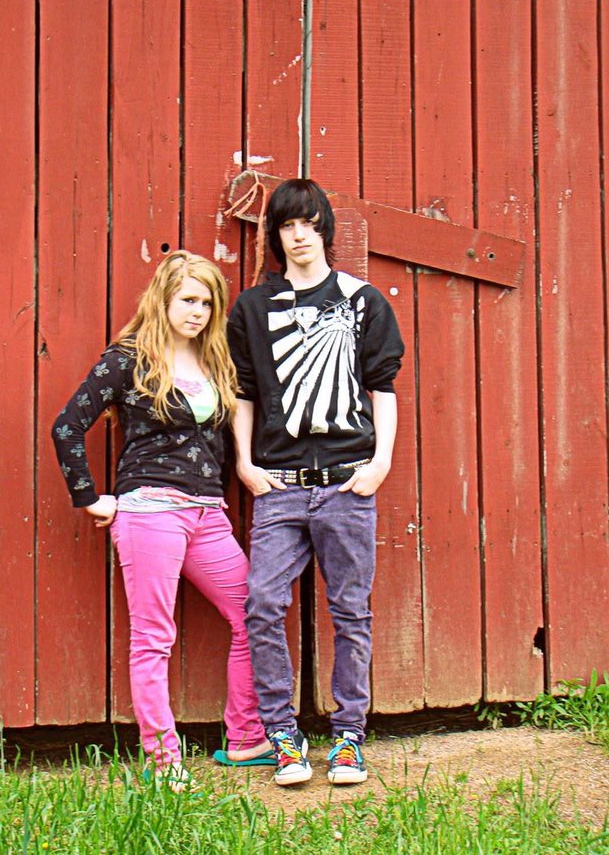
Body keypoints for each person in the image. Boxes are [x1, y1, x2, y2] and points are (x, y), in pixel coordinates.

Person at [51, 251, 272, 791]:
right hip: (149, 511)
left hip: (208, 515)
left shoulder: (215, 362)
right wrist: (90, 498)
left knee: (254, 612)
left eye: (207, 303)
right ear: (164, 300)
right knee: (154, 637)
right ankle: (162, 758)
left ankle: (244, 739)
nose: (198, 312)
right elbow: (66, 426)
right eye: (188, 301)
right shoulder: (128, 359)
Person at [227, 178, 404, 787]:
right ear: (275, 235)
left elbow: (383, 387)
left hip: (347, 483)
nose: (298, 235)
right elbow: (244, 392)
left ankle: (349, 738)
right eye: (286, 225)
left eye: (307, 223)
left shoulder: (362, 301)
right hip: (278, 484)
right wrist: (246, 465)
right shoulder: (252, 308)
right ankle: (283, 737)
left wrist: (378, 463)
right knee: (261, 604)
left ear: (324, 227)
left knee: (350, 611)